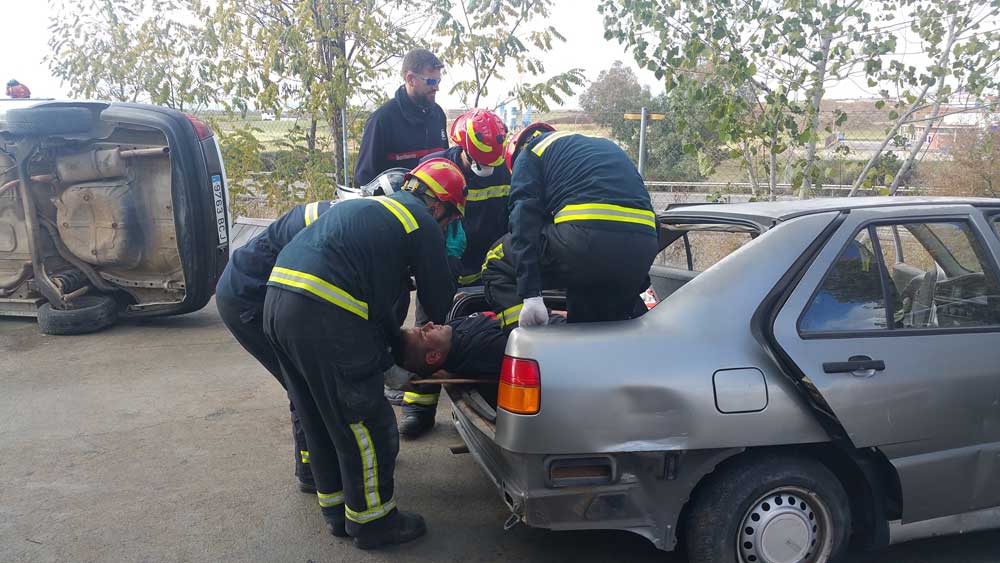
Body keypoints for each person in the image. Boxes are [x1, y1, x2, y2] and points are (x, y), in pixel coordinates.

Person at [263, 158, 466, 550]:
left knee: (318, 416)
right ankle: (375, 524)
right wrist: (463, 334)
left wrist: (388, 347)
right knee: (366, 421)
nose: (447, 230)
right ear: (437, 206)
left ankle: (338, 512)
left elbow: (380, 308)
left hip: (277, 306)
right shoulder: (418, 221)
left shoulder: (372, 211)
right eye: (450, 221)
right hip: (322, 313)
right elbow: (438, 300)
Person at [395, 109, 511, 438]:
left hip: (492, 264)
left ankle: (493, 396)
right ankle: (419, 408)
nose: (485, 167)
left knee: (488, 332)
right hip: (446, 261)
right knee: (428, 328)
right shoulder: (437, 170)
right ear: (462, 147)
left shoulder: (506, 168)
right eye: (477, 161)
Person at [483, 123, 659, 333]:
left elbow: (523, 223)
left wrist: (531, 295)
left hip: (583, 243)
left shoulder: (529, 153)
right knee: (596, 328)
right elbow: (646, 213)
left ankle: (526, 340)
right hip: (641, 250)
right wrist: (634, 280)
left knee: (495, 260)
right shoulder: (605, 149)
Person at [216, 200, 333, 494]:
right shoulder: (336, 229)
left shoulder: (336, 215)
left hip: (251, 289)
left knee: (304, 382)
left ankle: (314, 465)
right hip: (249, 300)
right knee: (303, 384)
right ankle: (312, 470)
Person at [353, 49, 448, 187]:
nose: (437, 87)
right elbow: (363, 181)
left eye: (438, 81)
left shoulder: (438, 115)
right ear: (410, 79)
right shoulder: (382, 120)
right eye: (431, 81)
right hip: (396, 206)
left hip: (433, 207)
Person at [397, 311, 566, 378]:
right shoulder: (484, 349)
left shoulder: (452, 330)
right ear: (433, 356)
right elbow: (548, 342)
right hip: (569, 330)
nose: (429, 324)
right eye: (424, 333)